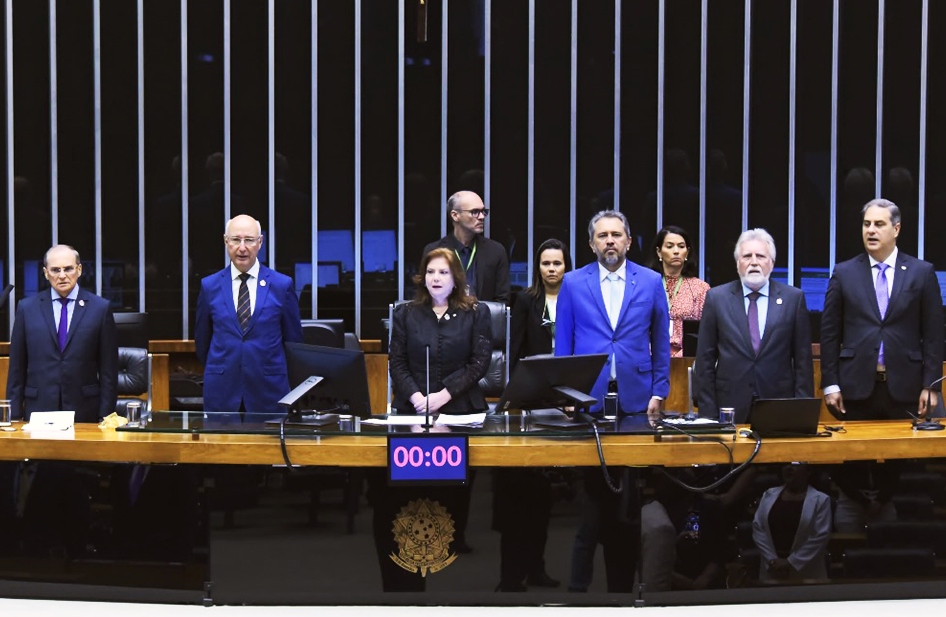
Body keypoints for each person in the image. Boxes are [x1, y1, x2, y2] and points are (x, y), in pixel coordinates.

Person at [556, 210, 670, 594]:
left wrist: (659, 390)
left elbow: (661, 341)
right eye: (602, 235)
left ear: (629, 241)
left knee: (628, 503)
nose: (609, 241)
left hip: (637, 401)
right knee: (591, 503)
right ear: (591, 244)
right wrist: (565, 393)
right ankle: (579, 589)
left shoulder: (650, 280)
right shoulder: (573, 282)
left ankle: (622, 586)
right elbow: (564, 345)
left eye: (616, 235)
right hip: (588, 400)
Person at [371, 247, 491, 591]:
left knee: (450, 497)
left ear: (456, 278)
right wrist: (416, 398)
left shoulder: (476, 313)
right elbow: (397, 362)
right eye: (431, 272)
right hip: (413, 412)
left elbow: (479, 363)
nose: (436, 278)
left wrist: (443, 396)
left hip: (461, 411)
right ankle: (407, 571)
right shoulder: (406, 313)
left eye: (443, 272)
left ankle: (453, 553)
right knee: (406, 499)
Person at [820, 198, 943, 531]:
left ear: (896, 228)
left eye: (879, 224)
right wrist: (830, 382)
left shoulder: (921, 272)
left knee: (903, 466)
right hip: (856, 387)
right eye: (866, 224)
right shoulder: (844, 272)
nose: (871, 230)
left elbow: (934, 334)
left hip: (905, 387)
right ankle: (857, 517)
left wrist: (931, 385)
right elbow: (829, 333)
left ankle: (898, 530)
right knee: (854, 461)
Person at [493, 238, 571, 591]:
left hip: (566, 400)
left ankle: (536, 569)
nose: (551, 269)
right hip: (531, 402)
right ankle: (510, 577)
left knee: (542, 499)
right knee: (519, 495)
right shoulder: (526, 300)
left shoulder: (575, 298)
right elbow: (515, 351)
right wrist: (517, 395)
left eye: (557, 263)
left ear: (566, 266)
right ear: (537, 268)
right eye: (545, 263)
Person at [694, 228, 813, 423]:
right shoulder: (717, 298)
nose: (754, 262)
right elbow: (705, 360)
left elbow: (803, 362)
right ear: (737, 264)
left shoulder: (793, 299)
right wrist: (708, 414)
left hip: (779, 403)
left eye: (761, 256)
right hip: (729, 404)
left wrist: (802, 411)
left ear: (772, 263)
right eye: (747, 256)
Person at [194, 214, 303, 414]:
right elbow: (203, 342)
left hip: (269, 392)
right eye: (236, 240)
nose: (242, 247)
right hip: (222, 392)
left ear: (260, 242)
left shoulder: (281, 285)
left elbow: (293, 342)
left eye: (249, 240)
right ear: (226, 241)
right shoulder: (209, 286)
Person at [7, 244, 118, 422]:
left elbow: (108, 371)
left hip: (85, 410)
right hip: (39, 409)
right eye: (55, 270)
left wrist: (106, 417)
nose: (62, 275)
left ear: (79, 270)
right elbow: (16, 369)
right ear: (46, 273)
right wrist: (13, 416)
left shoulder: (100, 309)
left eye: (68, 269)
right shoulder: (27, 309)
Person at [422, 190, 510, 303]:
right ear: (455, 215)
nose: (482, 217)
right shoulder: (434, 251)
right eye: (475, 212)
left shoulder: (495, 251)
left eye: (483, 211)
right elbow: (425, 295)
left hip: (483, 313)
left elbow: (502, 300)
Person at [751, 464, 831, 583]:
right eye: (785, 464)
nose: (789, 467)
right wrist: (772, 560)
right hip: (772, 569)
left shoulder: (821, 499)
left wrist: (791, 562)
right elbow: (758, 529)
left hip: (807, 571)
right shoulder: (768, 495)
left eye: (795, 464)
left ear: (808, 470)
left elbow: (820, 536)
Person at [646, 225, 710, 357]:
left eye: (681, 246)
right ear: (659, 252)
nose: (676, 251)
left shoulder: (700, 288)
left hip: (687, 358)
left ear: (687, 252)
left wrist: (682, 355)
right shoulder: (646, 285)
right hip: (649, 357)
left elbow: (707, 331)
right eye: (670, 246)